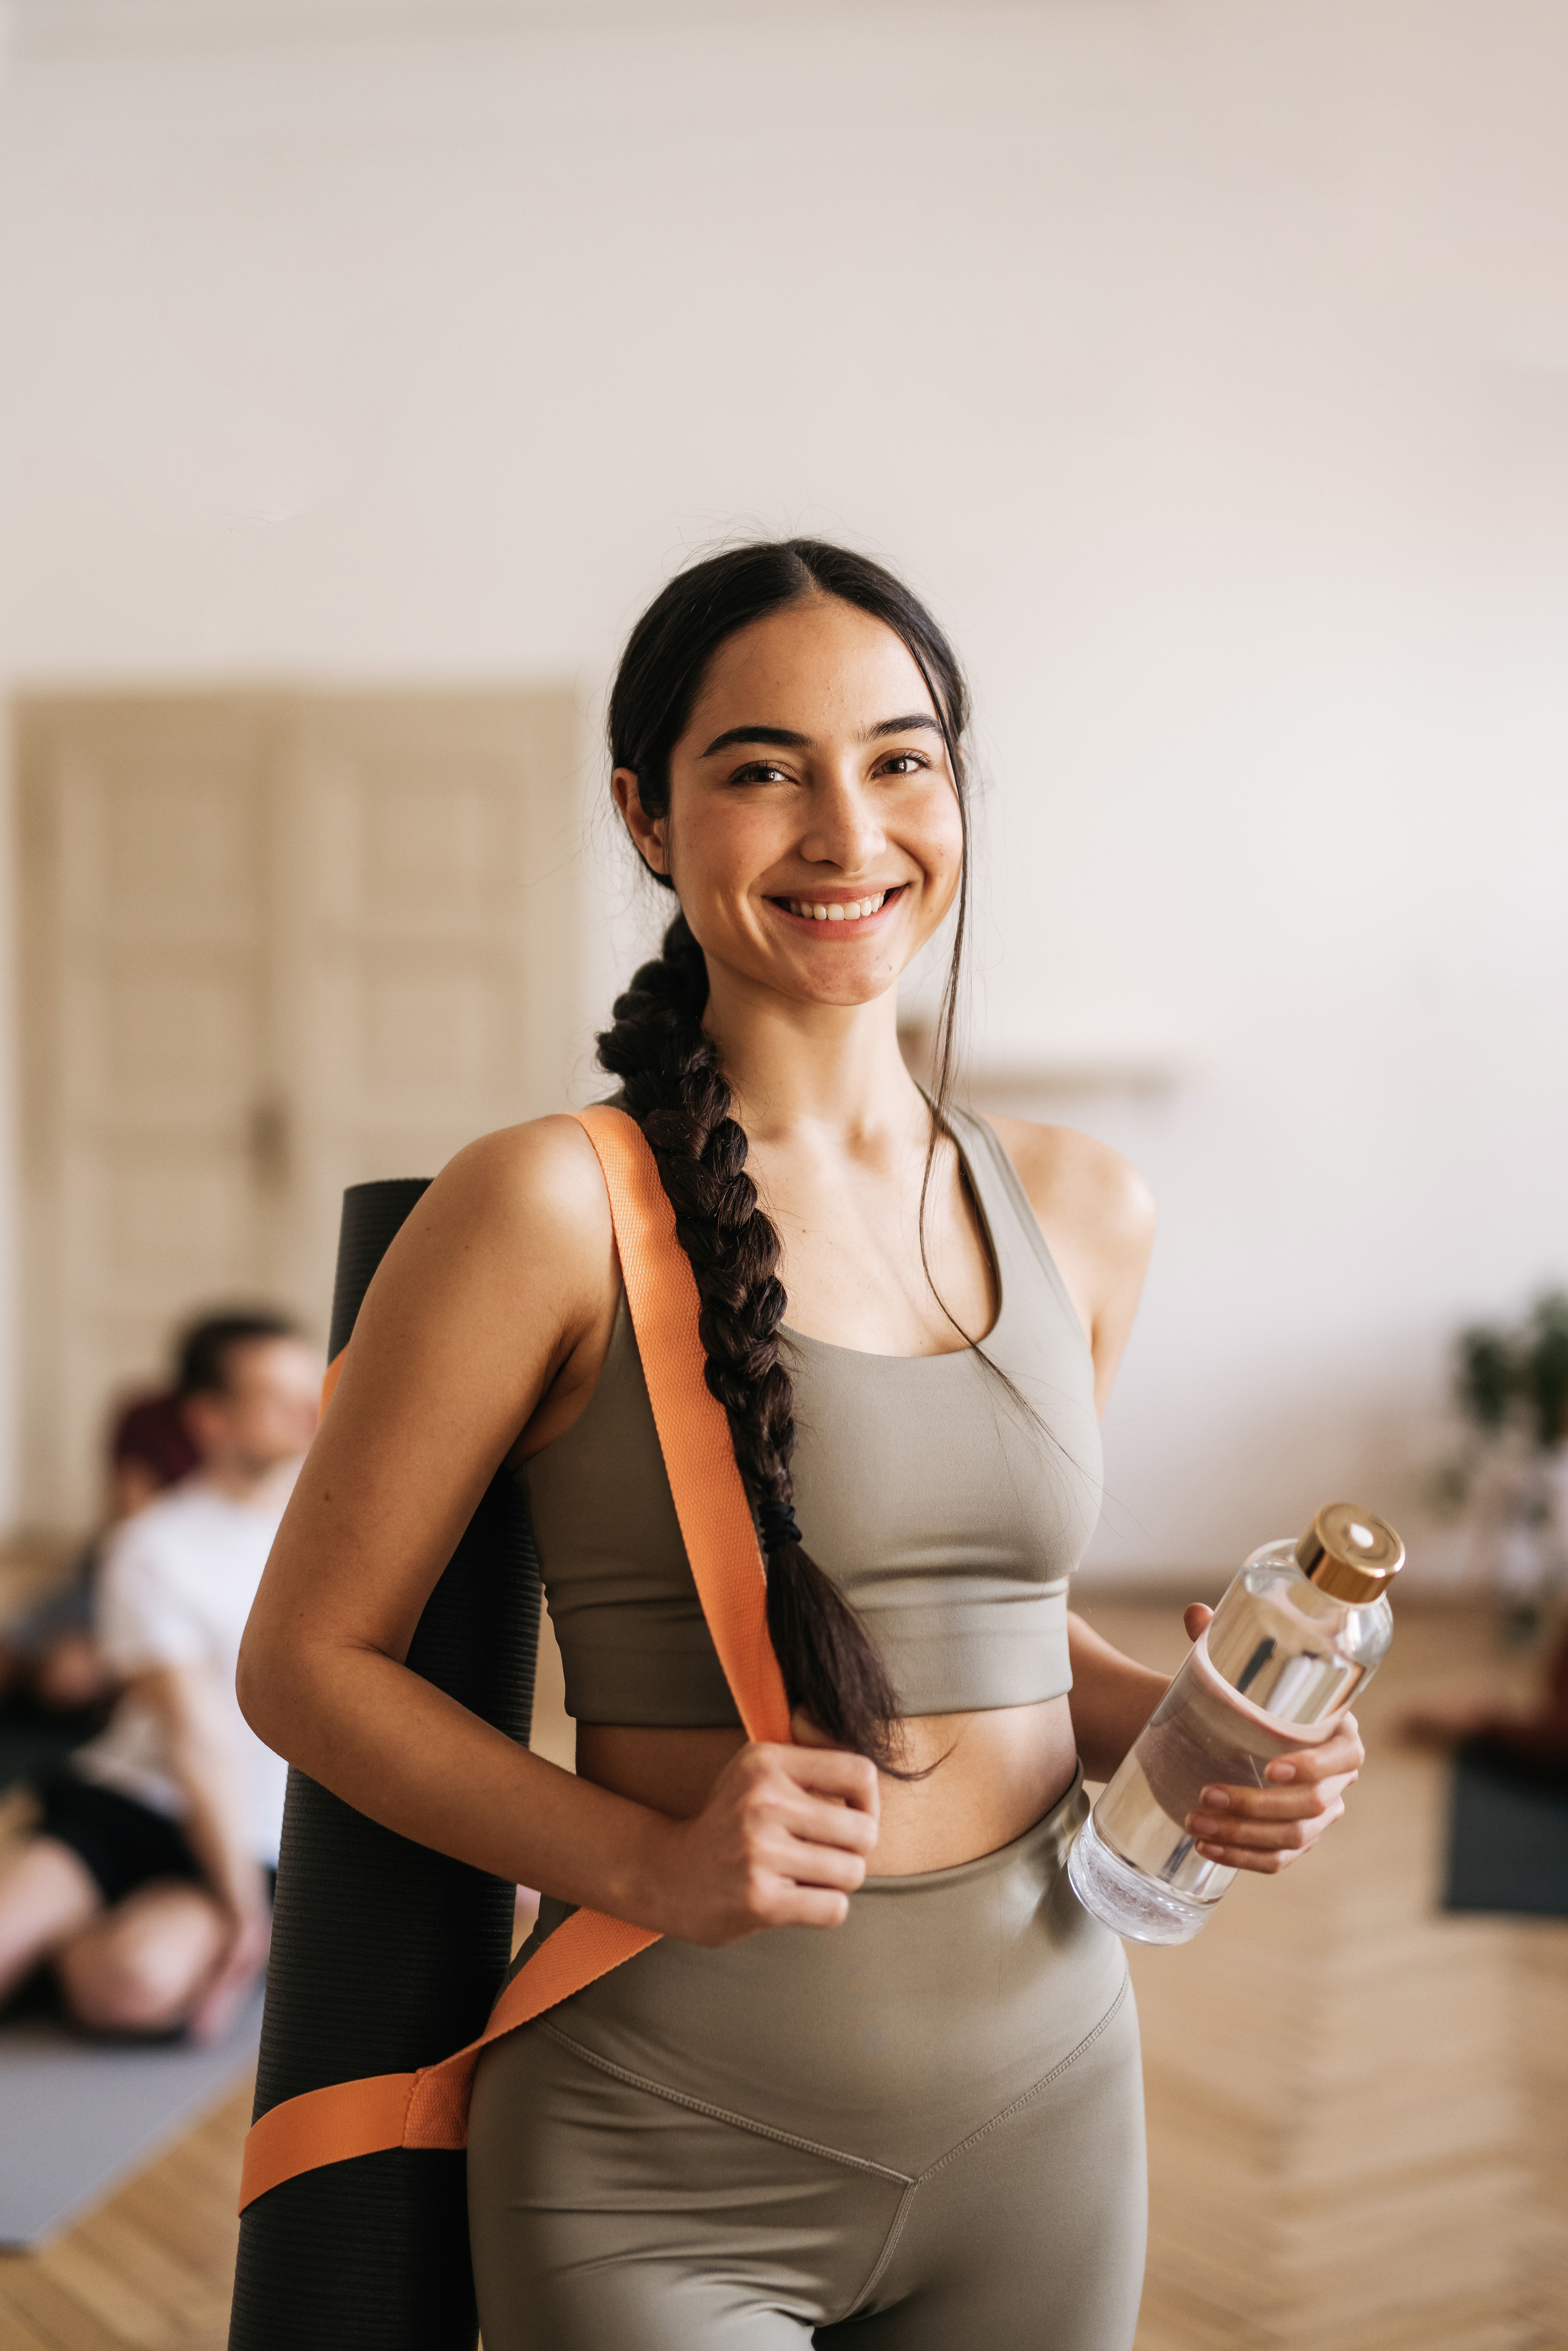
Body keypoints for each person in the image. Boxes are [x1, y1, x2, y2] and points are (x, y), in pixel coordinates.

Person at [239, 542, 1366, 2348]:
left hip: (1052, 2105)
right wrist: (640, 1857)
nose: (849, 829)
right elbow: (305, 1665)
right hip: (664, 2143)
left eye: (901, 758)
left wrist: (1194, 1730)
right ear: (647, 814)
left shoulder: (1082, 1207)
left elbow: (995, 1638)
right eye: (764, 766)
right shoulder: (539, 1205)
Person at [0, 1313, 319, 2042]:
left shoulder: (340, 1536)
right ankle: (63, 1905)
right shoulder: (153, 1545)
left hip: (254, 1831)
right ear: (210, 1418)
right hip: (133, 1798)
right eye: (275, 1396)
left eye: (311, 1391)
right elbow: (192, 1737)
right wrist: (246, 1916)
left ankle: (70, 1943)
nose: (307, 1413)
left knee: (132, 1985)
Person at [0, 1393, 199, 1717]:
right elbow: (131, 1520)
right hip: (108, 1574)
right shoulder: (146, 1417)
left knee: (71, 1677)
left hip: (157, 1592)